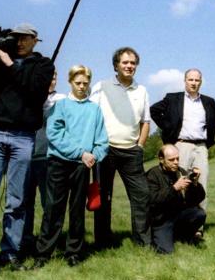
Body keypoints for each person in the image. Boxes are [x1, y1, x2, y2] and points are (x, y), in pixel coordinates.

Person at [0, 23, 55, 270]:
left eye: (24, 38)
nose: (19, 42)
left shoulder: (43, 66)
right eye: (15, 37)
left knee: (17, 199)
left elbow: (35, 91)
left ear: (35, 40)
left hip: (24, 136)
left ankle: (11, 251)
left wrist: (9, 64)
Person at [33, 65, 108, 266]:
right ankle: (43, 254)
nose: (82, 87)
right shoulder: (61, 106)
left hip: (83, 165)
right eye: (78, 83)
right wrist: (80, 152)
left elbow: (102, 140)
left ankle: (73, 252)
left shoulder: (95, 109)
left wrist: (94, 156)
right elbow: (55, 134)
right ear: (70, 82)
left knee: (77, 211)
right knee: (53, 209)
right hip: (59, 163)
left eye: (85, 83)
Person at [90, 47, 152, 248]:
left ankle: (142, 241)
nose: (129, 66)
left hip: (131, 151)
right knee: (104, 197)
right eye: (125, 62)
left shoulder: (141, 90)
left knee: (141, 196)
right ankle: (103, 242)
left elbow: (146, 121)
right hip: (106, 150)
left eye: (133, 63)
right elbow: (91, 116)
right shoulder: (101, 86)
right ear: (116, 65)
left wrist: (140, 146)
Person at [149, 69, 215, 218]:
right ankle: (178, 221)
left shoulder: (208, 101)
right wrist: (168, 127)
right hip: (181, 145)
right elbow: (154, 110)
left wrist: (208, 128)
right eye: (191, 80)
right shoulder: (173, 98)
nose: (194, 83)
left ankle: (198, 227)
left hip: (201, 147)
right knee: (181, 182)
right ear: (185, 81)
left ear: (201, 82)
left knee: (201, 183)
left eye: (197, 80)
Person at [22, 71, 66, 255]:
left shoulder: (62, 99)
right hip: (26, 156)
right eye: (46, 77)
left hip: (49, 157)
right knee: (24, 202)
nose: (50, 81)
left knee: (49, 202)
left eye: (53, 78)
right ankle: (25, 241)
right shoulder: (28, 98)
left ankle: (49, 241)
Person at [146, 145, 206, 254]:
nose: (176, 162)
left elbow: (196, 200)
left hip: (178, 216)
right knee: (166, 252)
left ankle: (184, 236)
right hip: (162, 220)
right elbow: (153, 201)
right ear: (161, 159)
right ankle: (166, 236)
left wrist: (195, 184)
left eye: (177, 158)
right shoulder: (152, 175)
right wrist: (174, 188)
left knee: (199, 214)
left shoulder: (181, 172)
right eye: (171, 160)